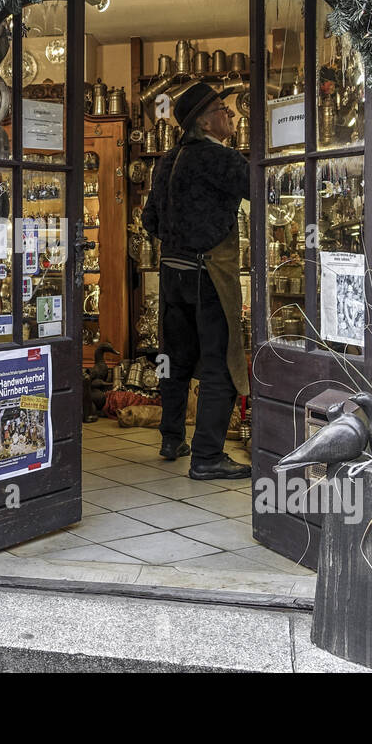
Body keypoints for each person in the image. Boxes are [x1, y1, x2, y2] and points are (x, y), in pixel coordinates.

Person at [141, 82, 251, 480]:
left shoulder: (166, 161)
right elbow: (265, 189)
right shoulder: (218, 158)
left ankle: (172, 438)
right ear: (205, 120)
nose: (233, 115)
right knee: (220, 363)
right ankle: (207, 456)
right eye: (225, 109)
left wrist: (180, 240)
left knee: (175, 360)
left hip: (172, 275)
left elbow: (149, 220)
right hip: (208, 275)